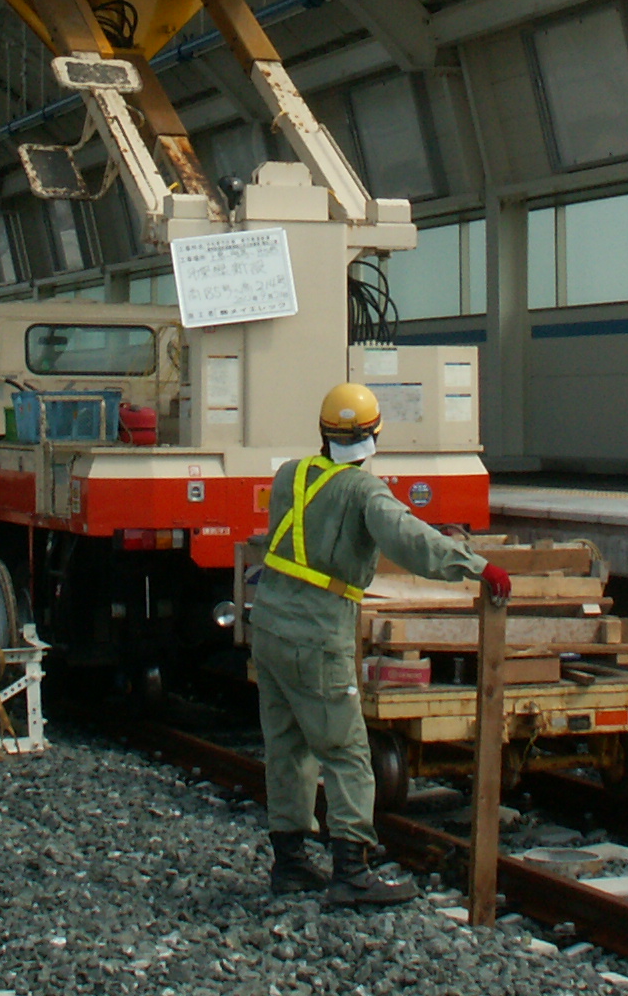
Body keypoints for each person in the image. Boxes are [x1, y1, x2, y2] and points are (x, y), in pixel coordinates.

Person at [251, 382, 514, 903]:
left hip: (270, 626)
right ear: (374, 435)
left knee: (287, 748)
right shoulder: (364, 492)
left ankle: (291, 864)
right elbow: (410, 541)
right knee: (346, 751)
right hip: (317, 635)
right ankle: (351, 872)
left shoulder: (290, 475)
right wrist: (478, 566)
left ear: (323, 431)